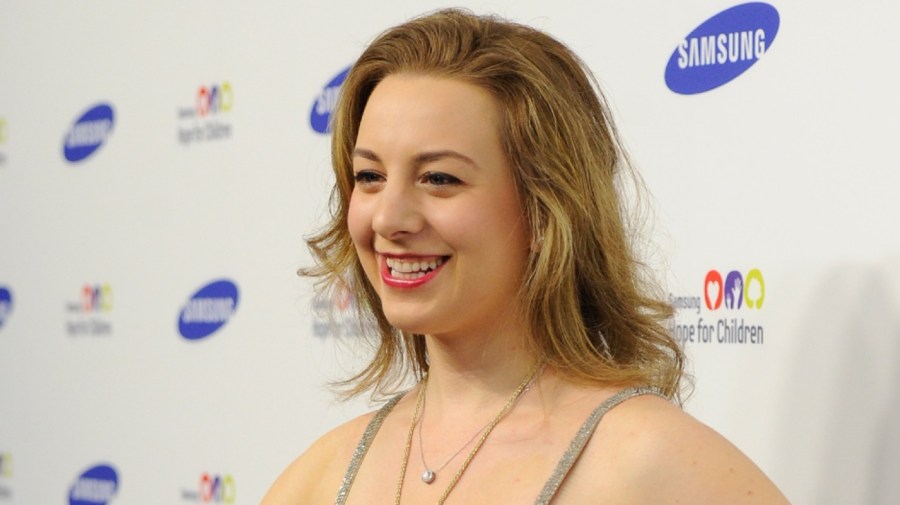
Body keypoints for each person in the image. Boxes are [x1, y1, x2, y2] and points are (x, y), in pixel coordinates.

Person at [262, 8, 790, 505]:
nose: (388, 219)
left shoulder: (645, 459)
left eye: (439, 178)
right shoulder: (323, 476)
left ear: (545, 209)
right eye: (370, 177)